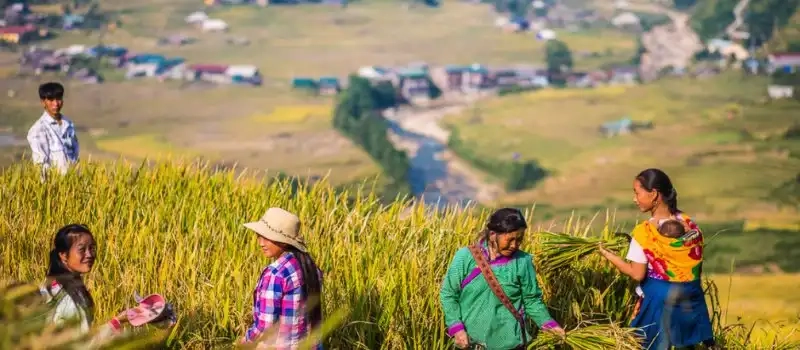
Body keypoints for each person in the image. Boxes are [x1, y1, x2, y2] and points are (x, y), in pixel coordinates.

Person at [597, 168, 716, 350]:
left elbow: (637, 274)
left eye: (637, 193)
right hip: (690, 300)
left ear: (653, 194)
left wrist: (608, 255)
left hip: (659, 303)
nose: (634, 199)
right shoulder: (689, 224)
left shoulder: (644, 233)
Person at [440, 208, 565, 350]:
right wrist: (457, 328)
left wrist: (550, 325)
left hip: (511, 344)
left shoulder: (522, 262)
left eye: (519, 240)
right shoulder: (465, 257)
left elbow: (532, 300)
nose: (514, 245)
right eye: (510, 239)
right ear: (493, 235)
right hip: (473, 344)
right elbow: (448, 294)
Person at [242, 207, 324, 349]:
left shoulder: (275, 274)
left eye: (267, 238)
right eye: (259, 236)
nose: (261, 243)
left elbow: (265, 326)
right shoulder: (311, 268)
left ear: (284, 242)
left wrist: (247, 340)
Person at [40, 224, 129, 344]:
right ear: (64, 255)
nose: (89, 254)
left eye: (92, 248)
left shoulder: (57, 286)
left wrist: (118, 321)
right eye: (82, 250)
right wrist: (115, 325)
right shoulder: (66, 297)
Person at [26, 82, 79, 179]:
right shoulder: (38, 129)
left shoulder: (68, 124)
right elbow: (40, 164)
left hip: (73, 182)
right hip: (55, 183)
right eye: (51, 100)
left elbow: (75, 155)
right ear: (43, 102)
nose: (56, 103)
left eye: (58, 98)